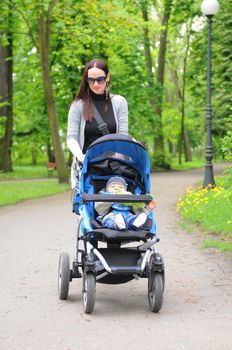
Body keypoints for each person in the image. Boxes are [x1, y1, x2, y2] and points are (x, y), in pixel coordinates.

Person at [67, 59, 128, 188]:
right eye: (91, 80)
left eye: (100, 79)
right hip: (87, 166)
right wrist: (80, 156)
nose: (95, 84)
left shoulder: (120, 102)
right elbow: (71, 138)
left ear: (108, 77)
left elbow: (123, 135)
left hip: (113, 167)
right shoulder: (78, 106)